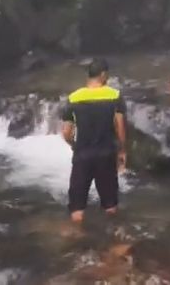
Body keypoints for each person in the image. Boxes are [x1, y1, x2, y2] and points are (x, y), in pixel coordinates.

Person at [60, 59, 127, 224]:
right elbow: (120, 128)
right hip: (106, 154)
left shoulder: (73, 98)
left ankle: (78, 243)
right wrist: (122, 151)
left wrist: (74, 145)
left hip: (82, 155)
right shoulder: (115, 96)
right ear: (103, 75)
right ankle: (111, 238)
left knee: (77, 208)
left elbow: (67, 132)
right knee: (110, 206)